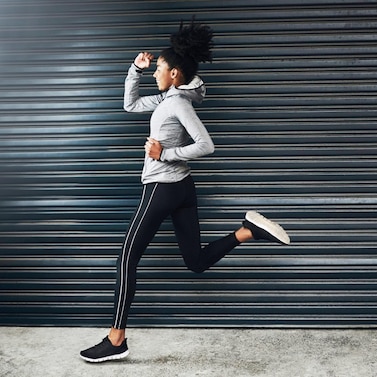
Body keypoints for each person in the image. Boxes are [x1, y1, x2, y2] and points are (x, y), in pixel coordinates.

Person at [79, 19, 290, 363]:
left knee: (126, 259)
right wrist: (135, 69)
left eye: (159, 68)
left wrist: (165, 154)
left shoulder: (176, 103)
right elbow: (130, 105)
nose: (155, 73)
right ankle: (247, 231)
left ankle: (116, 339)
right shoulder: (169, 99)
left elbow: (206, 145)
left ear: (175, 73)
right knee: (195, 261)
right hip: (183, 189)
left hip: (162, 187)